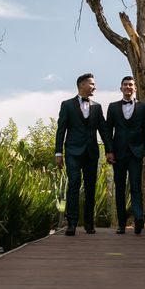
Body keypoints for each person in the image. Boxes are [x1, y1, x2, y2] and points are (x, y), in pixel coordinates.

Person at [55, 73, 113, 236]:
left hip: (91, 153)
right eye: (92, 84)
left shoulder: (97, 106)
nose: (95, 86)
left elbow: (103, 130)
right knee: (73, 183)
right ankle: (71, 223)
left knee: (90, 188)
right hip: (73, 152)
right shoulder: (67, 105)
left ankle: (89, 223)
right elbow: (61, 130)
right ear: (82, 85)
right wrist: (58, 152)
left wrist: (109, 150)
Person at [106, 76, 145, 235]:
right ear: (121, 88)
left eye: (131, 85)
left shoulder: (144, 108)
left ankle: (138, 218)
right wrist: (109, 151)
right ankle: (122, 224)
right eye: (125, 85)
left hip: (136, 153)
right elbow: (108, 131)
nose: (128, 87)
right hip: (118, 153)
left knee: (136, 186)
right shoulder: (112, 107)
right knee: (119, 188)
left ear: (135, 88)